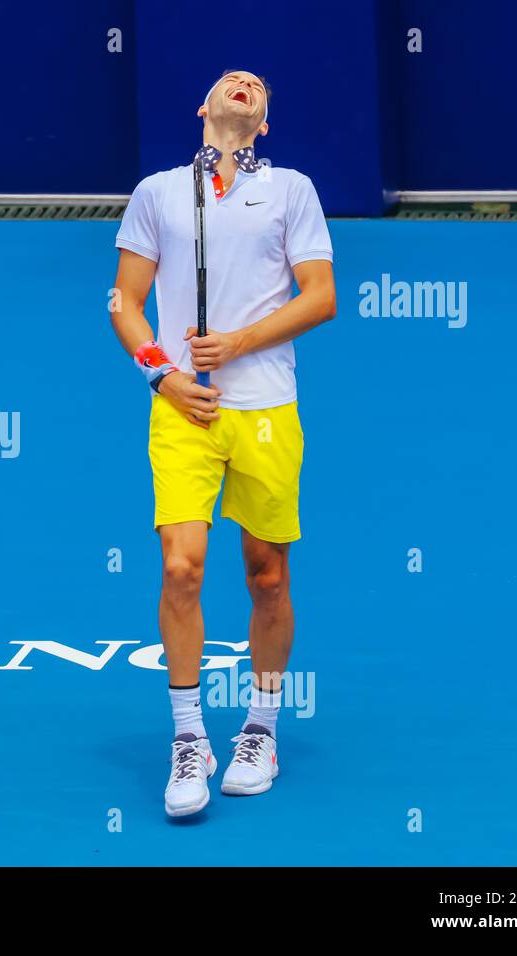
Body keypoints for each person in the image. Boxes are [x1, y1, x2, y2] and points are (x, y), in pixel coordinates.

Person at [110, 69, 336, 817]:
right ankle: (186, 740)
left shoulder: (292, 191)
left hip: (267, 407)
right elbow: (127, 304)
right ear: (203, 108)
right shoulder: (158, 194)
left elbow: (320, 296)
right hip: (184, 412)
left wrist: (235, 342)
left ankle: (262, 729)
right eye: (231, 82)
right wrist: (162, 377)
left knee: (267, 576)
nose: (246, 83)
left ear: (262, 124)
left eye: (260, 85)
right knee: (182, 567)